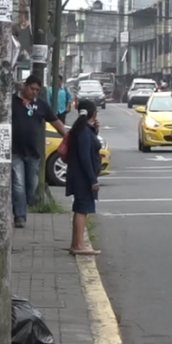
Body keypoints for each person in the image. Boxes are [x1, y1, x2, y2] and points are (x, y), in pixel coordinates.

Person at [10, 75, 68, 229]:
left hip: (33, 153)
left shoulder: (40, 105)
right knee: (18, 184)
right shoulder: (11, 102)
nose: (34, 92)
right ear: (25, 85)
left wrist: (69, 138)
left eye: (37, 90)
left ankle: (24, 204)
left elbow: (56, 122)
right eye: (32, 89)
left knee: (31, 185)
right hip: (15, 151)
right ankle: (19, 216)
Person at [65, 100, 102, 255]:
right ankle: (79, 245)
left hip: (79, 175)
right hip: (82, 177)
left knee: (81, 208)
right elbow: (85, 156)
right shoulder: (84, 132)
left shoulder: (83, 129)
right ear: (93, 113)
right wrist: (92, 179)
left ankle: (76, 243)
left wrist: (95, 130)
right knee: (82, 209)